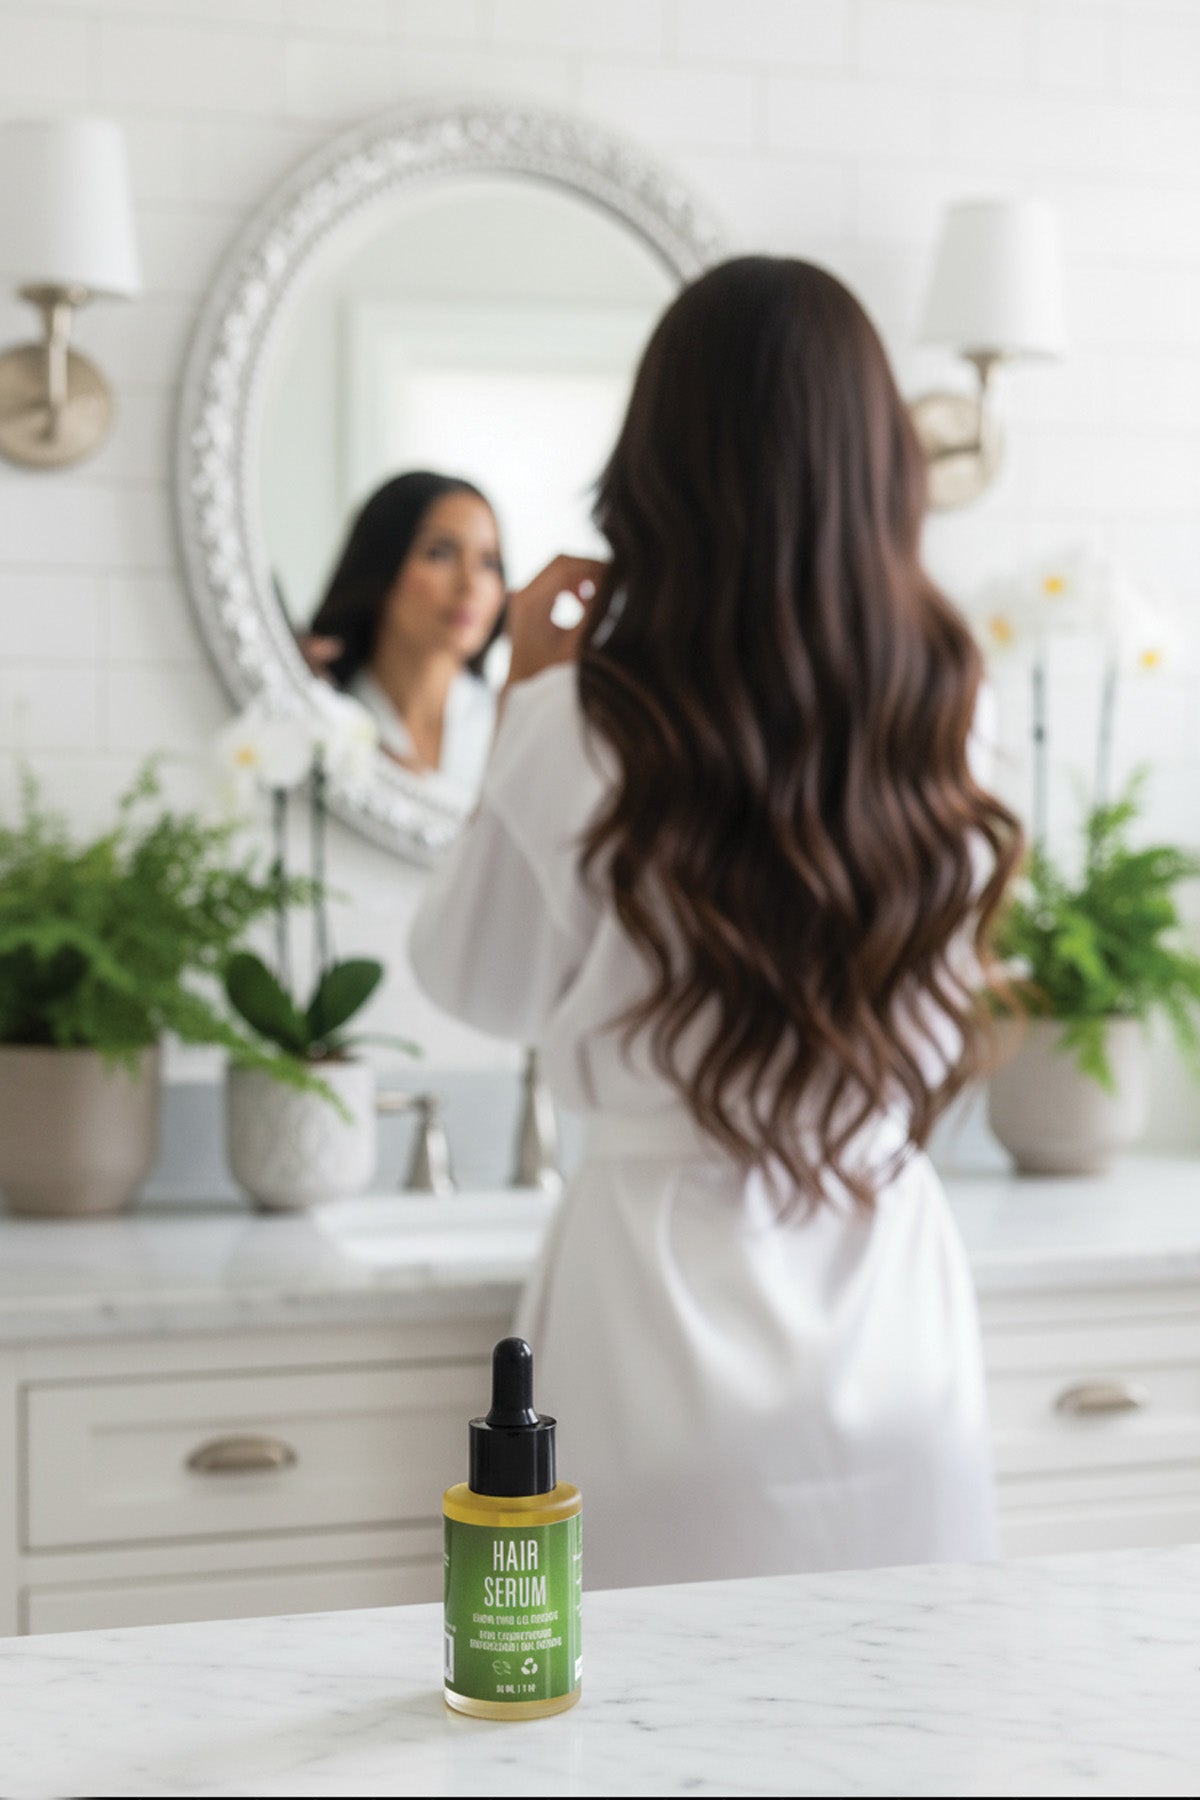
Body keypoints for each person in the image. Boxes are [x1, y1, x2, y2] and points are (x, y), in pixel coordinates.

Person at [408, 257, 1022, 1590]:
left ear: (658, 463)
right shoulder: (950, 711)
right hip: (894, 1326)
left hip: (654, 1332)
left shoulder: (576, 719)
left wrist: (524, 697)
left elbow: (476, 986)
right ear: (878, 465)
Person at [306, 471, 508, 803]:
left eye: (488, 562)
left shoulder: (508, 725)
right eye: (440, 553)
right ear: (381, 564)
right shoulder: (325, 714)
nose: (470, 586)